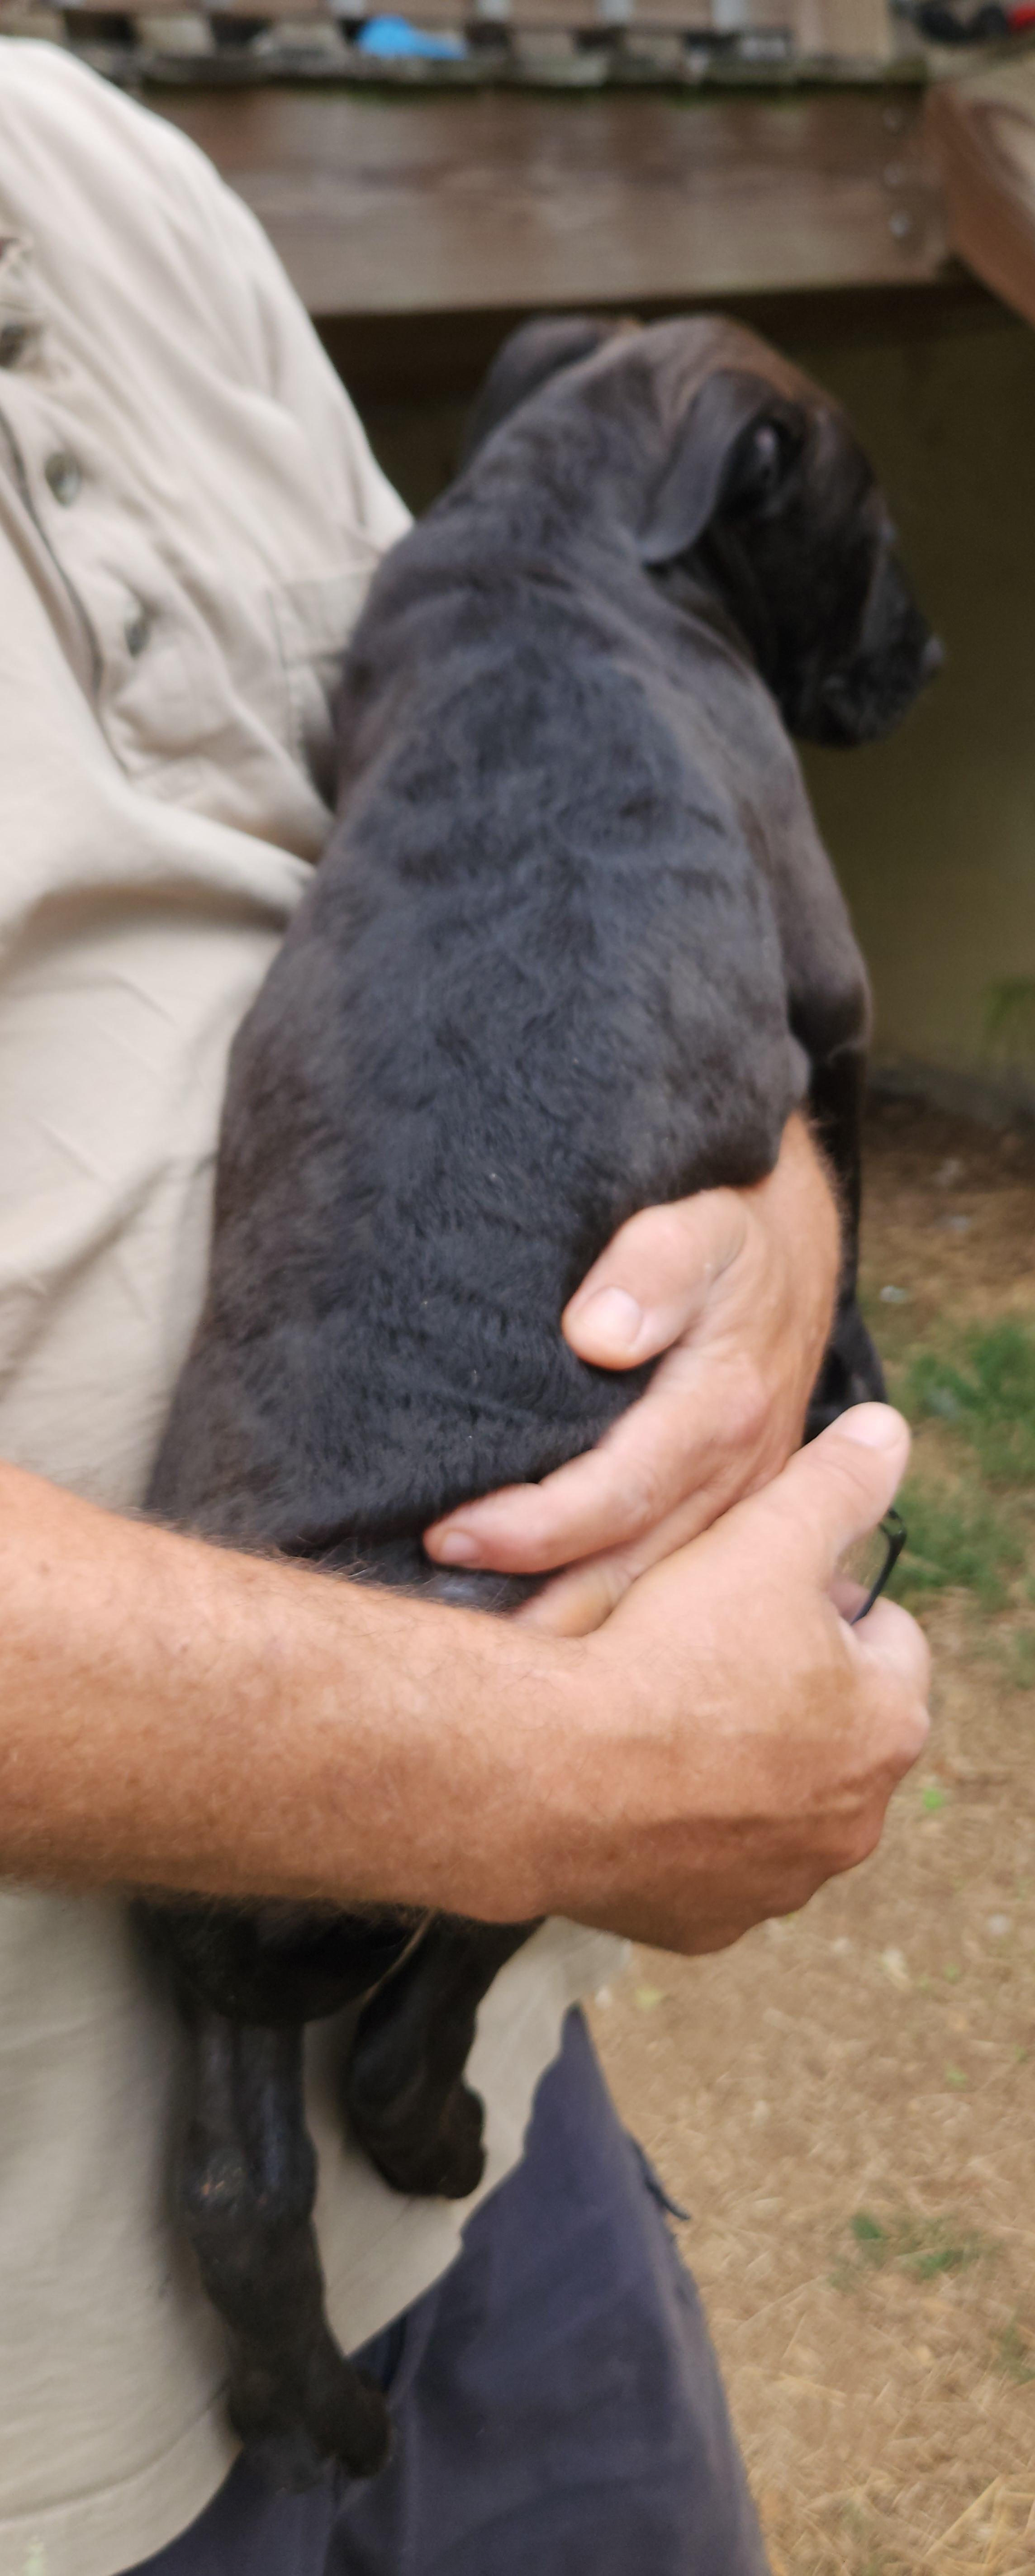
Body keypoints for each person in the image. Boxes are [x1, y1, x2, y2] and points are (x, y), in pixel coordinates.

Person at [0, 40, 929, 2576]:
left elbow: (534, 772)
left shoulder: (96, 174)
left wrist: (777, 1210)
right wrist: (524, 1772)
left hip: (495, 2169)